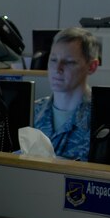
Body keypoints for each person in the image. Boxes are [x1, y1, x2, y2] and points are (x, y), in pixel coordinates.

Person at [32, 27, 100, 161]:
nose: (57, 69)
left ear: (91, 67)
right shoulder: (32, 111)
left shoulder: (102, 118)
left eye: (69, 62)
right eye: (53, 60)